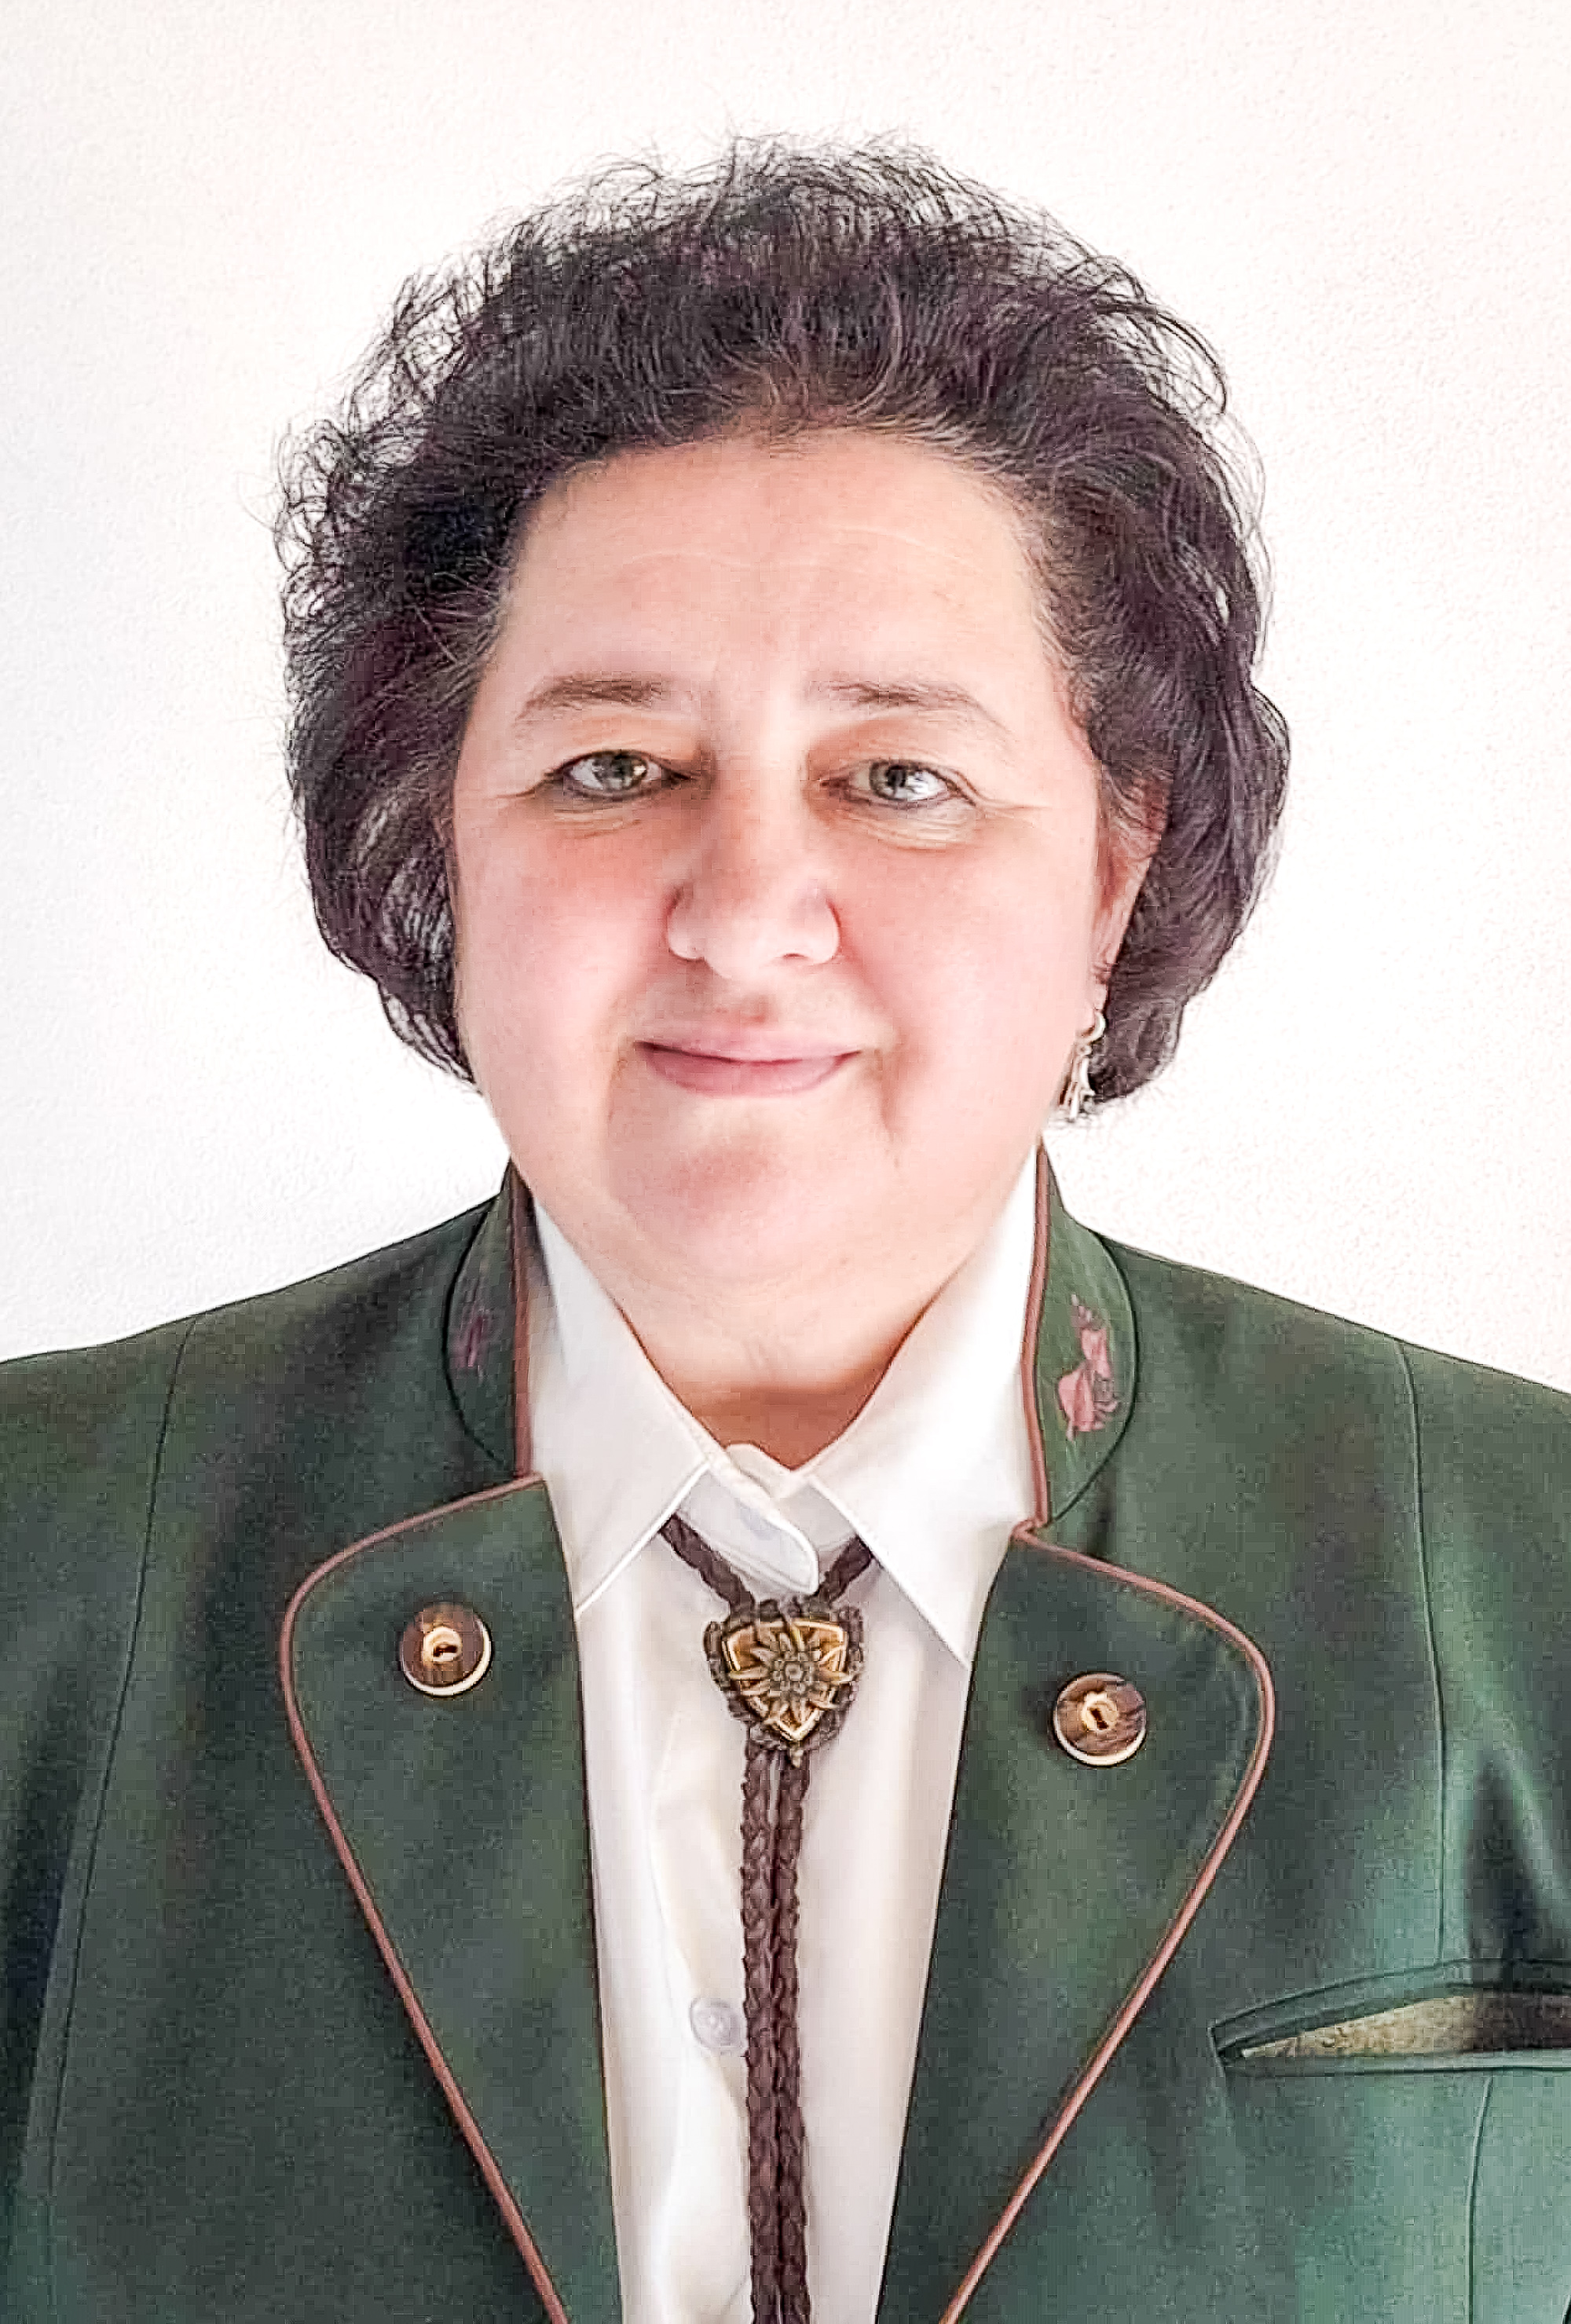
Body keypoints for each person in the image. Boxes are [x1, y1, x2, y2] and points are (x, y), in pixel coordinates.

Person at [4, 142, 1570, 2324]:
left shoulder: (1527, 1563)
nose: (745, 912)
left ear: (1113, 867)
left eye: (898, 779)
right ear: (438, 841)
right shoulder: (44, 1558)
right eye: (614, 768)